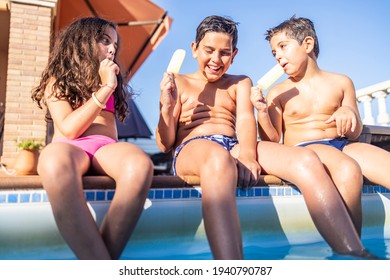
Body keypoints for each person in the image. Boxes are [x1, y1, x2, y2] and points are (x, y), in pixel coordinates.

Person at [156, 15, 375, 260]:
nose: (216, 60)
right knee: (219, 160)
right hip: (192, 147)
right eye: (209, 50)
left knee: (306, 159)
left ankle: (353, 252)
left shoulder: (240, 83)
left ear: (234, 54)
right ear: (194, 49)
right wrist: (166, 107)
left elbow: (245, 121)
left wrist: (249, 155)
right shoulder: (178, 82)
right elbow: (165, 143)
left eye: (224, 53)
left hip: (234, 145)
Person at [252, 15, 390, 239]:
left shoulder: (341, 82)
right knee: (348, 170)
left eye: (282, 47)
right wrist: (262, 111)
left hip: (343, 143)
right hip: (305, 148)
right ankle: (350, 246)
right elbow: (271, 141)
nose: (278, 56)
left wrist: (349, 112)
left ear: (307, 44)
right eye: (274, 52)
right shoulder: (278, 92)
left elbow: (355, 131)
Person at [31, 17, 153, 260]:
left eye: (115, 45)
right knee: (52, 162)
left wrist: (108, 85)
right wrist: (105, 88)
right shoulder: (58, 81)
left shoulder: (109, 81)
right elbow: (69, 129)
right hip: (69, 147)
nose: (112, 49)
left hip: (105, 148)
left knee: (139, 164)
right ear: (81, 43)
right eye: (105, 41)